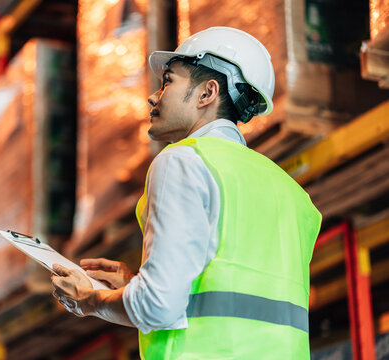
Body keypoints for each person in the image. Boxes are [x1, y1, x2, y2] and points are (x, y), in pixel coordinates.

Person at [51, 26, 322, 359]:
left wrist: (89, 300)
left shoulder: (184, 161)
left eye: (168, 81)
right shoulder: (293, 194)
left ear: (207, 93)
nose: (153, 96)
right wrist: (139, 283)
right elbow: (228, 296)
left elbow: (157, 307)